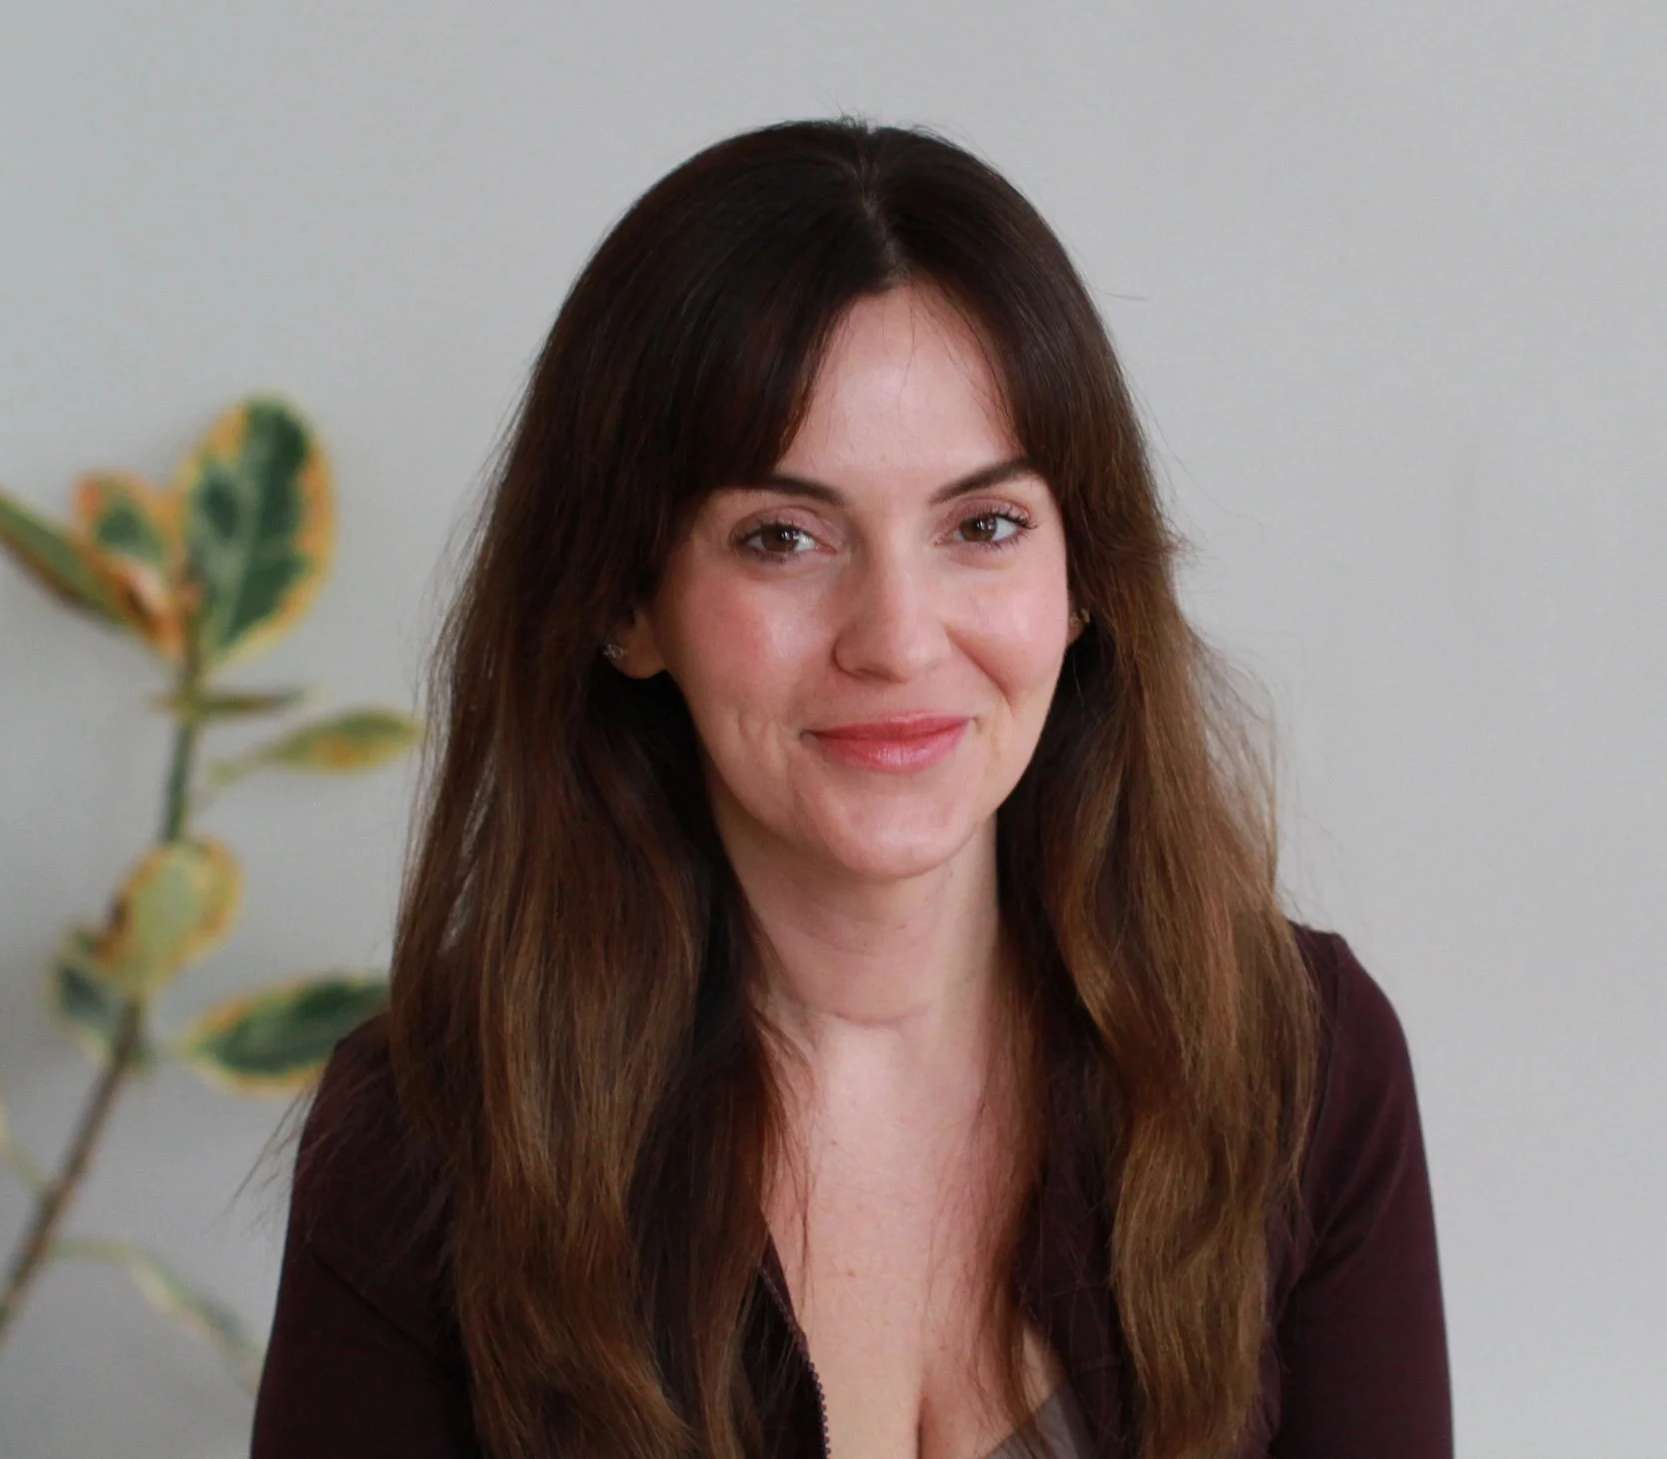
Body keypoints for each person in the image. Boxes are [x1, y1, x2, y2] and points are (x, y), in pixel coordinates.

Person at [250, 119, 1451, 1459]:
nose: (894, 635)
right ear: (623, 603)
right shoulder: (428, 1137)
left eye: (981, 526)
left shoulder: (1298, 1063)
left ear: (1081, 584)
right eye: (782, 537)